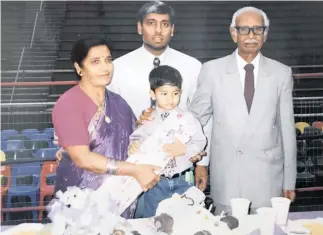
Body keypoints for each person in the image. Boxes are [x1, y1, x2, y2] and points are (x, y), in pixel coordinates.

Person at [188, 6, 297, 214]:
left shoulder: (281, 73)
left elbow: (287, 131)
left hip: (268, 179)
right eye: (244, 29)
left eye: (257, 29)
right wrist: (157, 121)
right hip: (229, 177)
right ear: (233, 33)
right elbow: (194, 121)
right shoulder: (212, 71)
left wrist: (289, 181)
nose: (251, 35)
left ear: (265, 34)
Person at [108, 1, 211, 217]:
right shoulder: (118, 68)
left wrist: (202, 162)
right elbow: (112, 116)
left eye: (164, 24)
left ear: (172, 29)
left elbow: (203, 119)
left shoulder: (193, 66)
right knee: (142, 223)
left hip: (180, 166)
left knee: (182, 223)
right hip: (137, 166)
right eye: (151, 23)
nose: (157, 30)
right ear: (140, 27)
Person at [52, 38, 160, 218]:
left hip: (120, 198)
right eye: (95, 62)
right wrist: (135, 170)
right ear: (79, 68)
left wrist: (146, 125)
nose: (105, 67)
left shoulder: (118, 102)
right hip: (81, 203)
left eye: (108, 60)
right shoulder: (69, 104)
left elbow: (131, 138)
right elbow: (83, 159)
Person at [128, 65, 206, 217]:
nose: (170, 99)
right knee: (154, 220)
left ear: (181, 93)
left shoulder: (188, 118)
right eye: (164, 93)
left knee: (184, 220)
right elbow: (137, 137)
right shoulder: (148, 119)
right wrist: (134, 145)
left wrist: (186, 150)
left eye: (175, 93)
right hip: (156, 181)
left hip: (183, 179)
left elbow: (200, 141)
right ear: (153, 93)